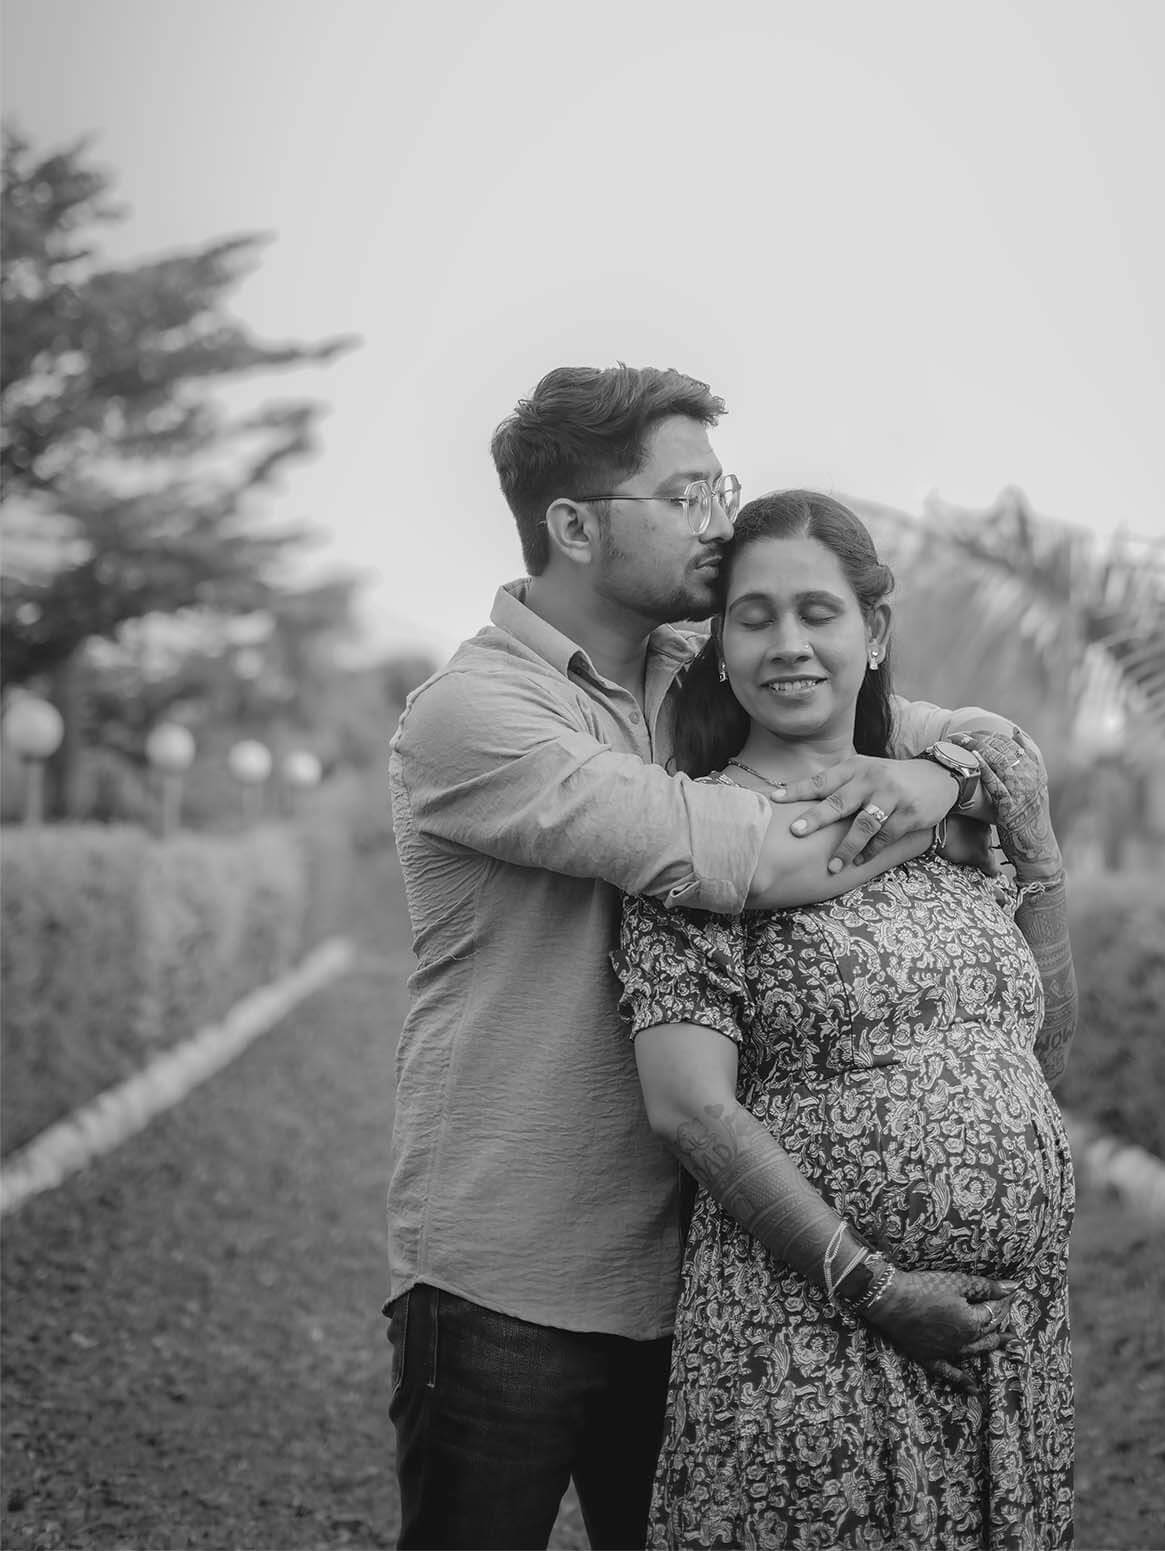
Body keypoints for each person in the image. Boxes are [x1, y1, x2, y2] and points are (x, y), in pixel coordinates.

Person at [385, 364, 1033, 1551]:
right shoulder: (473, 715)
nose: (717, 522)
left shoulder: (700, 661)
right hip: (508, 1277)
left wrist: (935, 775)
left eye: (720, 489)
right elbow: (734, 852)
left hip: (698, 1268)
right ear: (574, 524)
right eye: (686, 495)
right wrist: (931, 804)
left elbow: (977, 739)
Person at [615, 489, 1077, 1550]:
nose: (788, 642)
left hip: (1006, 1346)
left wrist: (1038, 855)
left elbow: (1044, 1055)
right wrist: (874, 1286)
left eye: (817, 612)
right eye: (754, 617)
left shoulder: (949, 816)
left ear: (872, 632)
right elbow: (689, 1110)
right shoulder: (699, 842)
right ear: (720, 648)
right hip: (810, 1338)